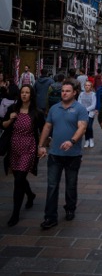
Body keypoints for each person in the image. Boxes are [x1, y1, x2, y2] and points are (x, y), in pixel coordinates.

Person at [37, 80, 88, 229]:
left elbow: (82, 128)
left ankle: (70, 208)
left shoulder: (80, 109)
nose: (64, 93)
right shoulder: (54, 108)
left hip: (73, 155)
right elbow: (47, 127)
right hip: (55, 154)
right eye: (62, 91)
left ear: (74, 93)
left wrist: (72, 141)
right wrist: (41, 145)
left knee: (71, 185)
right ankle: (50, 217)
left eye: (67, 91)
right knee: (52, 186)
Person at [1, 84, 45, 226]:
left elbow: (44, 129)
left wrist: (42, 146)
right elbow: (3, 125)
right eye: (22, 92)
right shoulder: (12, 109)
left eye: (27, 92)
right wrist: (10, 119)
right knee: (18, 177)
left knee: (19, 179)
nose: (24, 95)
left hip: (29, 147)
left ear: (31, 95)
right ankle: (30, 195)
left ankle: (15, 214)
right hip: (13, 147)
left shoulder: (37, 113)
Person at [78, 80, 96, 148]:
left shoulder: (93, 94)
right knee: (84, 127)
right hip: (82, 113)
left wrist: (86, 109)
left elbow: (93, 105)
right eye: (86, 85)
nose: (87, 86)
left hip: (90, 113)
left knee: (89, 127)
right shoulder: (81, 94)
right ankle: (86, 140)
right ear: (84, 86)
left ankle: (91, 139)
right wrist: (82, 110)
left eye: (89, 85)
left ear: (91, 87)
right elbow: (79, 102)